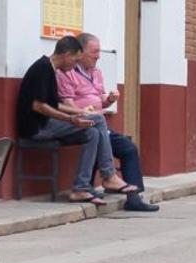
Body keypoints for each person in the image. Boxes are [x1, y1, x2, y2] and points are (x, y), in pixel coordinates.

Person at [16, 36, 135, 205]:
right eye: (75, 60)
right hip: (37, 127)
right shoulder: (42, 68)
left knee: (92, 132)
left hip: (49, 124)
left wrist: (79, 112)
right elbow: (39, 106)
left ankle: (80, 188)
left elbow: (54, 104)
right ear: (65, 54)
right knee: (99, 120)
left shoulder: (52, 69)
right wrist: (72, 119)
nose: (75, 65)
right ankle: (109, 175)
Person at [56, 32, 159, 212]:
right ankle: (105, 179)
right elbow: (67, 104)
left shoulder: (97, 72)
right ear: (80, 53)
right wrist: (82, 112)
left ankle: (133, 197)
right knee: (104, 136)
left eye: (99, 52)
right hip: (80, 123)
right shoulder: (67, 73)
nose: (98, 56)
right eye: (94, 52)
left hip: (99, 121)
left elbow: (99, 98)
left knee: (128, 147)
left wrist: (109, 99)